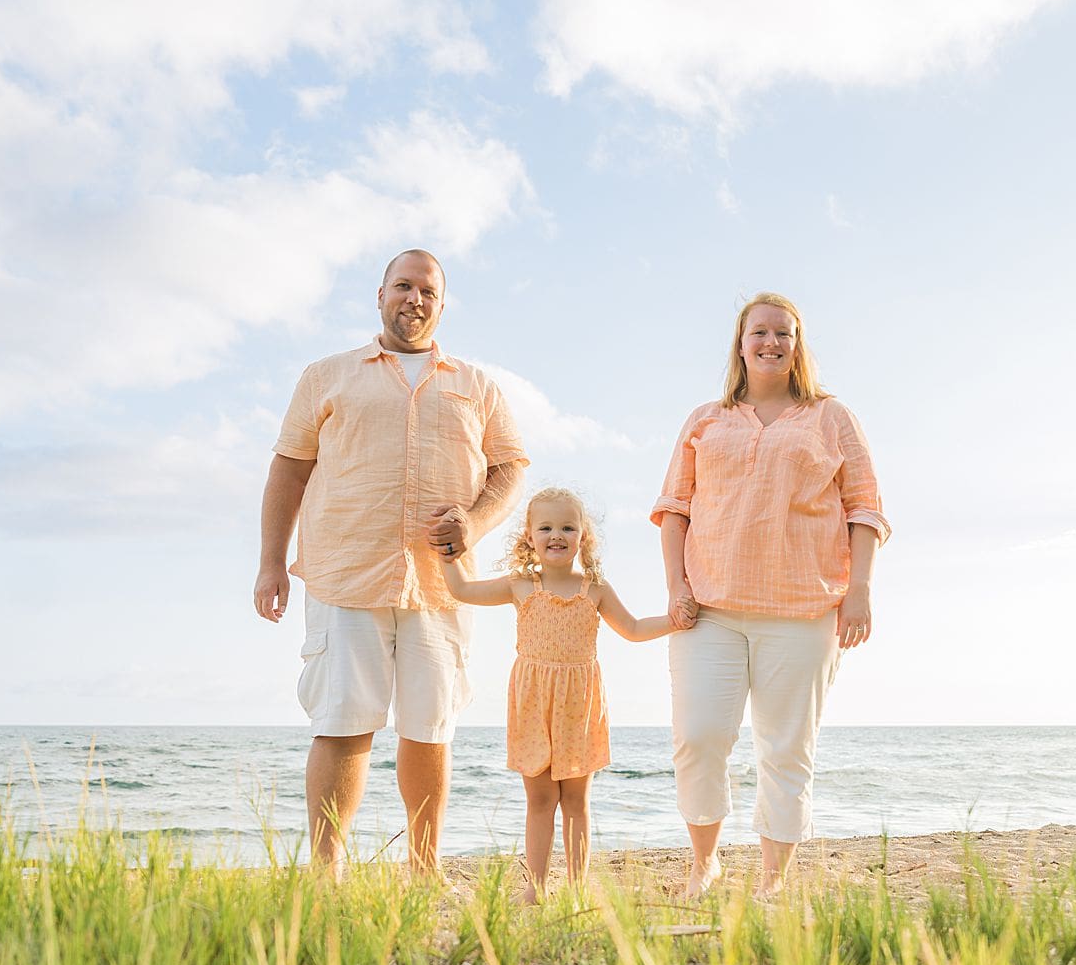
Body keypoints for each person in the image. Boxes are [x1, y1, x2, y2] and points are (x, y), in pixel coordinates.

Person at [254, 249, 528, 874]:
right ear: (380, 295)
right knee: (342, 723)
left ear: (442, 304)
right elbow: (289, 469)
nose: (415, 299)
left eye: (427, 290)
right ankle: (326, 875)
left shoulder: (477, 385)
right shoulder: (326, 376)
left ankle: (424, 871)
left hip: (441, 583)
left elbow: (510, 468)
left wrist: (475, 521)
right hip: (345, 573)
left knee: (430, 729)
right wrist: (271, 563)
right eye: (403, 286)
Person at [652, 292, 890, 899]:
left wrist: (859, 590)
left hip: (804, 610)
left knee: (786, 748)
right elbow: (674, 509)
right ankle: (705, 863)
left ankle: (772, 879)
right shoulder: (706, 418)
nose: (771, 342)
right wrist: (677, 587)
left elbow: (864, 507)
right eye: (759, 331)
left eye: (783, 333)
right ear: (740, 343)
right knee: (699, 737)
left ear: (797, 345)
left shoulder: (831, 417)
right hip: (709, 610)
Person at [442, 487, 680, 900]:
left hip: (578, 705)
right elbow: (463, 591)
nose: (557, 535)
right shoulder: (520, 585)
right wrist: (447, 555)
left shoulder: (595, 589)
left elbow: (634, 629)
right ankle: (534, 888)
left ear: (583, 536)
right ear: (529, 536)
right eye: (546, 527)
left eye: (568, 527)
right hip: (533, 703)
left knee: (575, 800)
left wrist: (674, 620)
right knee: (539, 800)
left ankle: (576, 888)